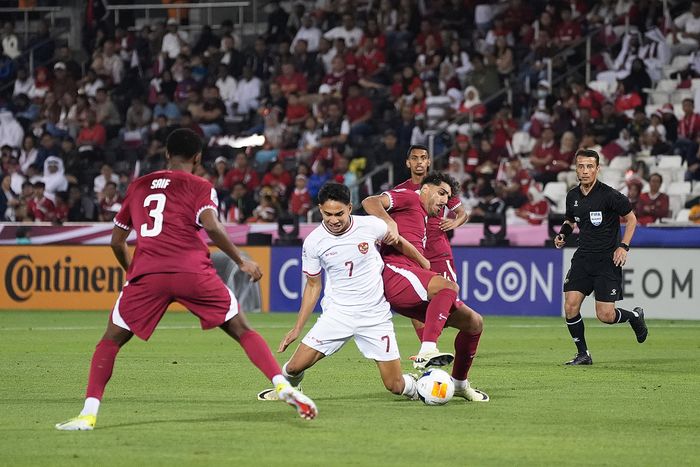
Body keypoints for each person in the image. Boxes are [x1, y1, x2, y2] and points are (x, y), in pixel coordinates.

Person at [55, 129, 317, 431]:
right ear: (198, 157)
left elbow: (117, 241)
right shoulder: (200, 185)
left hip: (149, 271)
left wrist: (134, 273)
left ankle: (88, 414)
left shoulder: (138, 186)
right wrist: (241, 260)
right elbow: (213, 227)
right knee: (242, 329)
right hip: (192, 269)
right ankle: (281, 384)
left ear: (167, 154)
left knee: (110, 341)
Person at [256, 182, 424, 402]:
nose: (333, 220)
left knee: (395, 385)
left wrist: (424, 263)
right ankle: (288, 390)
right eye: (327, 214)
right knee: (294, 367)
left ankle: (422, 386)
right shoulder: (314, 242)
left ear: (350, 208)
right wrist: (297, 327)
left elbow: (399, 242)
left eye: (339, 214)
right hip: (337, 314)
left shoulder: (371, 226)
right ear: (319, 209)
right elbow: (313, 285)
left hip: (374, 316)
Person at [391, 145, 489, 402]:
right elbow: (375, 204)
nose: (420, 162)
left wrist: (453, 223)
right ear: (408, 162)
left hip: (438, 253)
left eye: (424, 158)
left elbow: (462, 212)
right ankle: (432, 369)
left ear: (429, 161)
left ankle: (451, 378)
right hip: (413, 256)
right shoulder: (403, 192)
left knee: (449, 303)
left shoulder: (439, 188)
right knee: (421, 314)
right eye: (415, 158)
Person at [552, 149, 648, 366]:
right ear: (576, 168)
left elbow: (632, 220)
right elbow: (570, 220)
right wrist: (562, 234)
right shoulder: (573, 196)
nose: (585, 171)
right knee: (570, 305)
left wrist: (623, 246)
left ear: (597, 169)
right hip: (583, 257)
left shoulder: (610, 195)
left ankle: (634, 316)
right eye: (580, 166)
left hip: (607, 260)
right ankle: (583, 354)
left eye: (589, 167)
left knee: (605, 315)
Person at [362, 173, 461, 370]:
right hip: (395, 268)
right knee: (448, 287)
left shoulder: (423, 216)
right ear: (425, 189)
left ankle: (456, 382)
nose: (444, 201)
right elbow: (370, 201)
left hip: (409, 270)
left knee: (473, 322)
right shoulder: (410, 197)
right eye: (441, 193)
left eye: (447, 197)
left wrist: (421, 261)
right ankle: (427, 349)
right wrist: (388, 222)